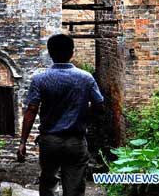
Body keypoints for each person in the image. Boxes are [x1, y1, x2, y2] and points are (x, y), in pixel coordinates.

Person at [17, 34, 104, 196]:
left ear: (50, 53)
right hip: (76, 141)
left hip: (50, 142)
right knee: (75, 188)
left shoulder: (40, 79)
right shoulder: (86, 78)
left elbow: (31, 110)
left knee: (48, 184)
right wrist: (83, 115)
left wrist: (23, 142)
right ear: (72, 52)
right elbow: (99, 105)